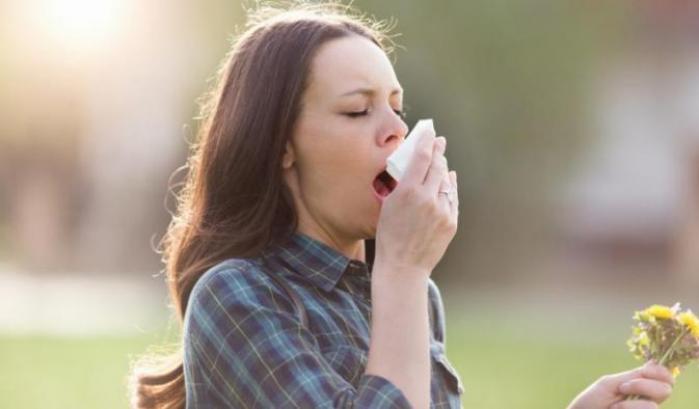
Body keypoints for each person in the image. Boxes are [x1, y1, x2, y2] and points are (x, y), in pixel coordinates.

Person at [131, 3, 675, 409]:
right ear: (282, 146)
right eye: (357, 111)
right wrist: (403, 269)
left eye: (396, 107)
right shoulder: (237, 296)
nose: (396, 131)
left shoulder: (413, 296)